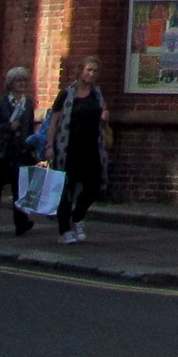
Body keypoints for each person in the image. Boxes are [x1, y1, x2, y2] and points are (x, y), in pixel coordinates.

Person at [49, 56, 110, 245]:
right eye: (88, 70)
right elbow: (54, 121)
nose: (91, 74)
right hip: (68, 148)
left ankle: (77, 217)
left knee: (94, 186)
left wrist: (105, 117)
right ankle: (64, 230)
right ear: (81, 70)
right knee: (66, 189)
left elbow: (103, 116)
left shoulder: (97, 94)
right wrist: (49, 146)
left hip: (91, 147)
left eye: (94, 71)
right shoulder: (67, 94)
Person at [0, 66, 37, 235]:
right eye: (18, 80)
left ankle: (21, 223)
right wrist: (8, 127)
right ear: (10, 84)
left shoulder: (28, 103)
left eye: (24, 80)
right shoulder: (1, 103)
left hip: (19, 152)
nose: (21, 83)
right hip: (1, 153)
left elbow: (29, 127)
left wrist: (32, 146)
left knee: (20, 190)